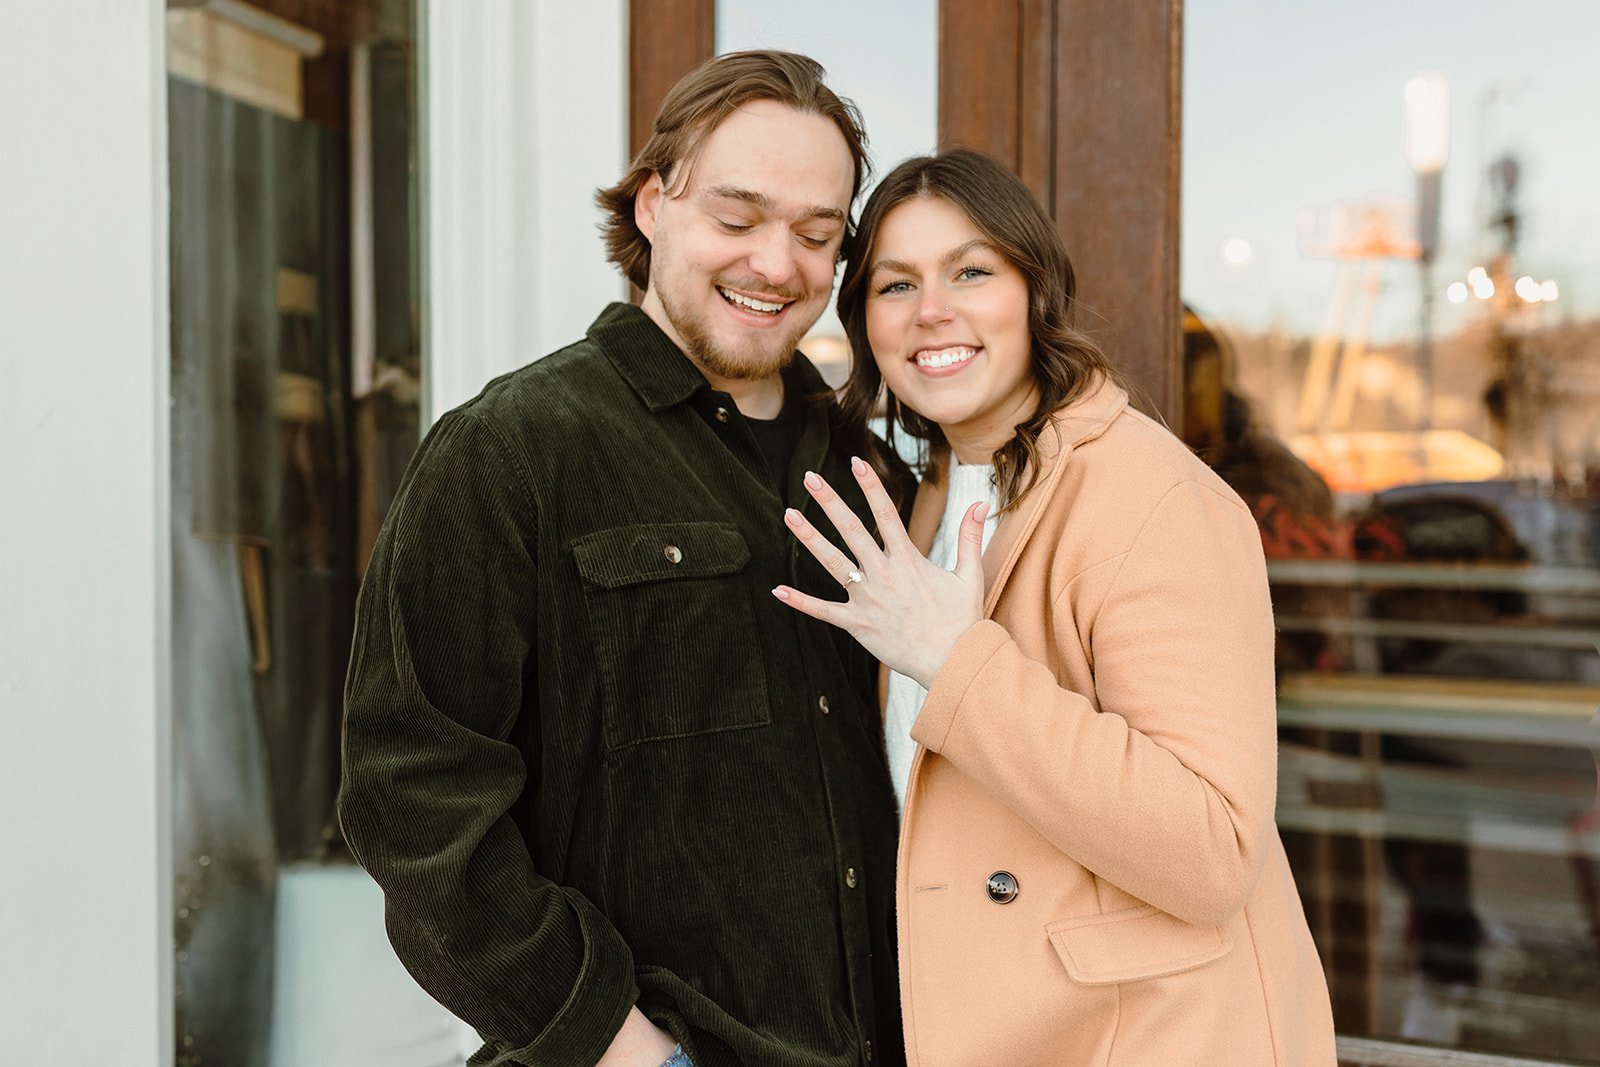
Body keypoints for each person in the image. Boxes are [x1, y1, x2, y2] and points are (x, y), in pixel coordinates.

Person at [338, 51, 908, 1067]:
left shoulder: (874, 476)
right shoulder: (513, 449)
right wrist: (621, 1045)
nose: (776, 265)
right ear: (654, 205)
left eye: (816, 235)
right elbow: (414, 796)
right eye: (736, 220)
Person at [772, 149, 1337, 1064]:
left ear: (1035, 293)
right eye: (895, 284)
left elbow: (1212, 847)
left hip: (1149, 1037)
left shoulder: (1148, 493)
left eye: (971, 271)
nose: (932, 312)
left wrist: (959, 665)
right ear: (863, 322)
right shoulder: (926, 496)